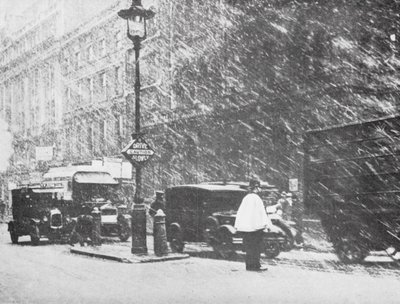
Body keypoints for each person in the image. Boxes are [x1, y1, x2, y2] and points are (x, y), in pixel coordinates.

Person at [234, 178, 272, 271]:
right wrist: (266, 224)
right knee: (256, 247)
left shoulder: (246, 198)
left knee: (249, 247)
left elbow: (240, 212)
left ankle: (249, 265)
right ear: (256, 188)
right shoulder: (257, 198)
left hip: (247, 228)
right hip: (256, 227)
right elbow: (262, 213)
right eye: (258, 187)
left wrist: (239, 225)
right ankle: (256, 265)